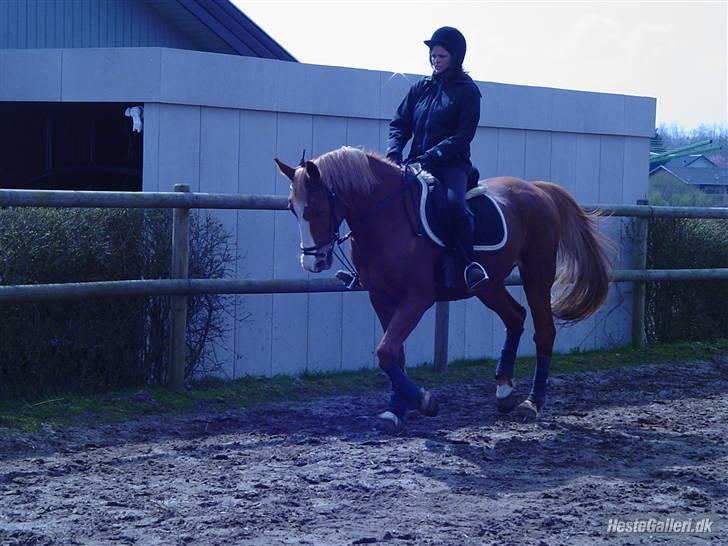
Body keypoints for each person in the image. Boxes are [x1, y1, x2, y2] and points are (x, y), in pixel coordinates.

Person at [386, 26, 488, 291]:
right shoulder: (420, 88)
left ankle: (469, 265)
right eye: (433, 55)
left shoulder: (468, 92)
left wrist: (432, 155)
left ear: (455, 57)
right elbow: (399, 124)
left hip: (451, 165)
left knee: (455, 205)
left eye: (441, 55)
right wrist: (394, 153)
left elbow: (463, 135)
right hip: (414, 162)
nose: (435, 59)